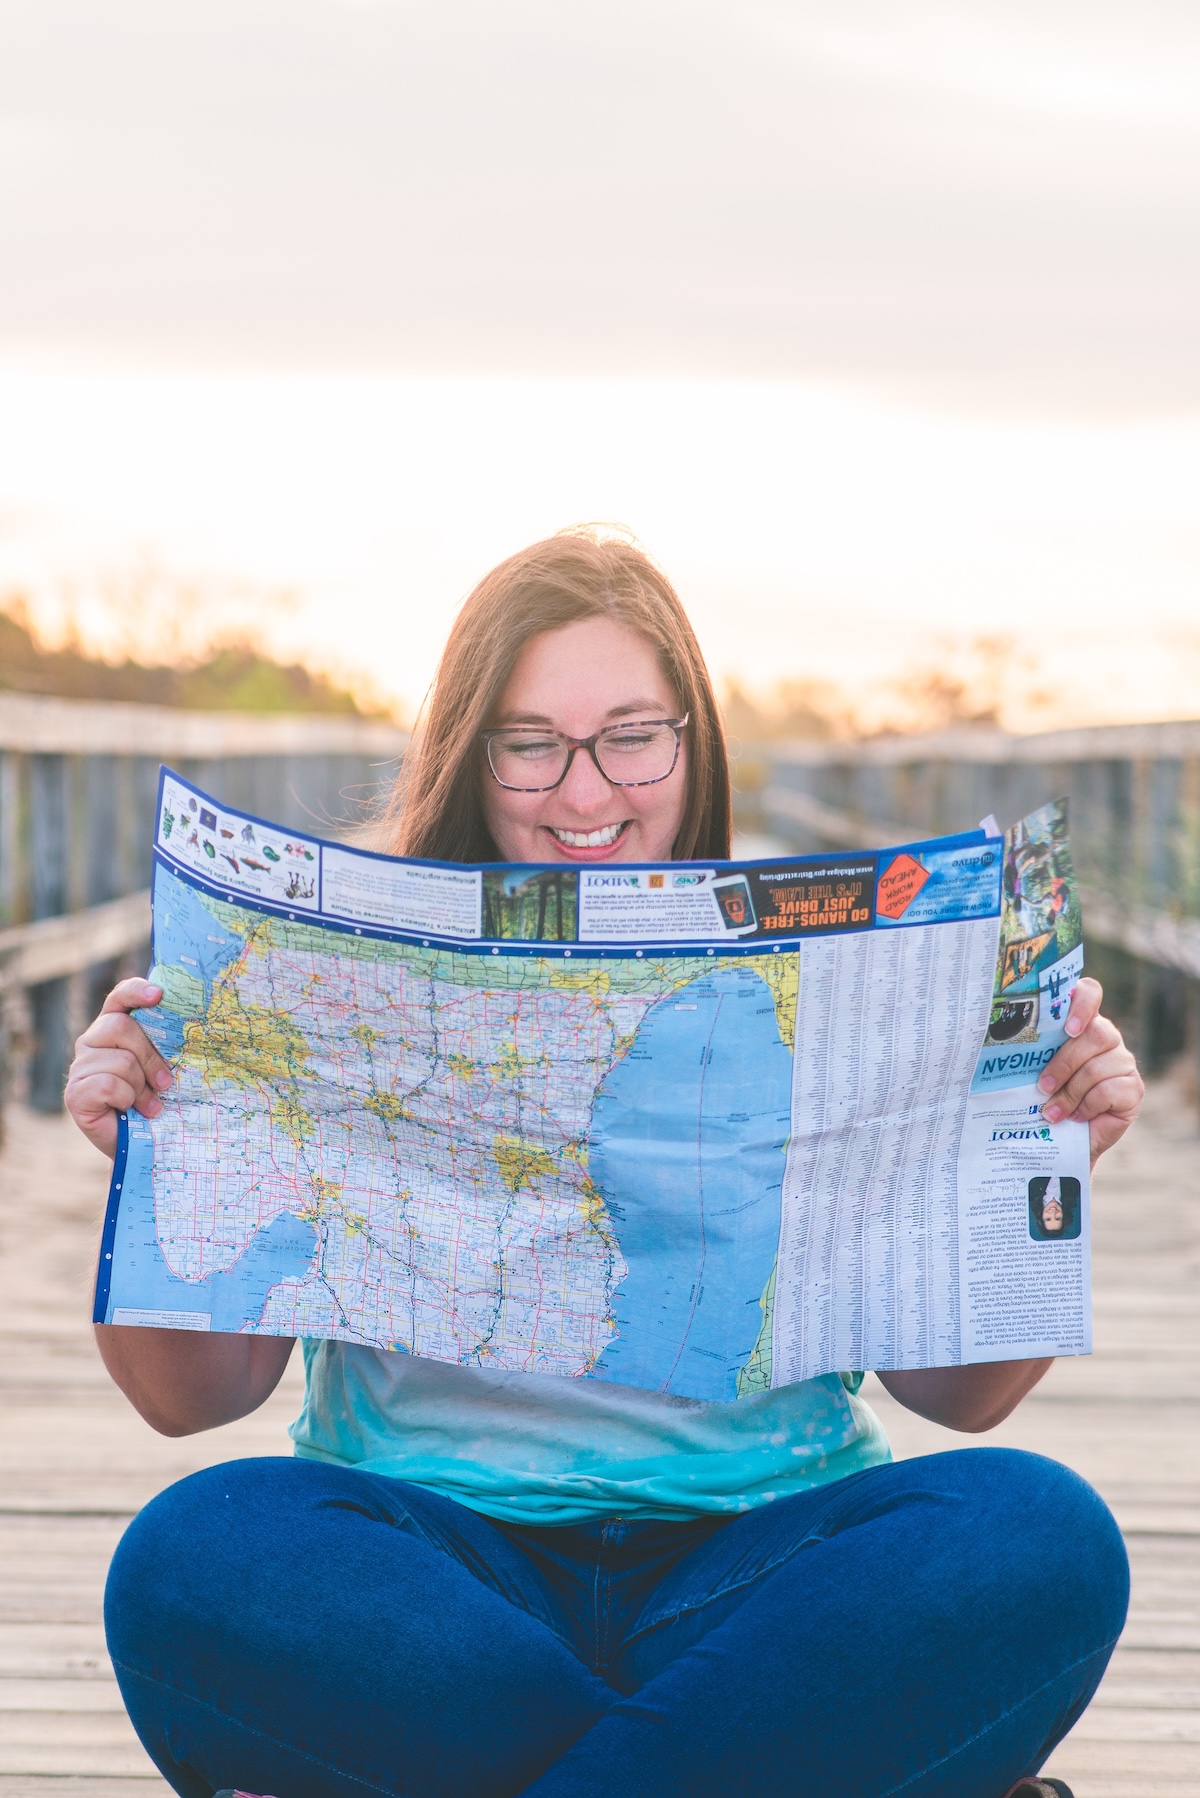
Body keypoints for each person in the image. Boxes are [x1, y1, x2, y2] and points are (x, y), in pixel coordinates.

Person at [66, 531, 1145, 1798]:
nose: (585, 797)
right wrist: (146, 1157)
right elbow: (190, 1400)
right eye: (531, 743)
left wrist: (1036, 1160)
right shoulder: (322, 973)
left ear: (694, 739)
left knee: (1042, 1536)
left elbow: (959, 1400)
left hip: (763, 1566)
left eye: (632, 735)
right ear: (471, 752)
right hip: (437, 1577)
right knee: (194, 1560)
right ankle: (770, 1762)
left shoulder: (839, 977)